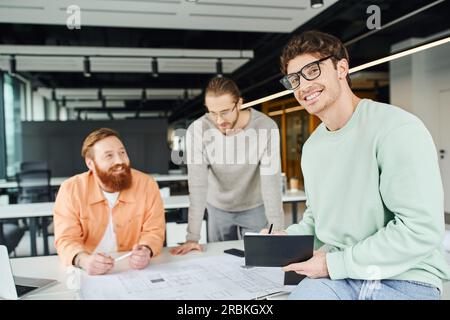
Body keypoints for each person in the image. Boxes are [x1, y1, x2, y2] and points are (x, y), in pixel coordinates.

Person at [271, 30, 450, 299]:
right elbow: (318, 219)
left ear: (341, 68)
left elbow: (419, 229)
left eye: (312, 71)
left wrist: (332, 264)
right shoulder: (312, 148)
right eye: (294, 79)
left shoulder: (396, 128)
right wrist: (286, 238)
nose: (303, 85)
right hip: (340, 274)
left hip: (406, 278)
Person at [170, 76, 284, 255]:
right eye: (212, 112)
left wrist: (277, 229)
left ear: (239, 104)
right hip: (218, 208)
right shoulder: (198, 130)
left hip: (254, 206)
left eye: (224, 112)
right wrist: (192, 237)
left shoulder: (265, 127)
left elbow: (271, 181)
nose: (218, 120)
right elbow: (198, 186)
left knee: (261, 258)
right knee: (222, 260)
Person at [54, 128, 165, 275]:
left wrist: (146, 250)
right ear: (91, 164)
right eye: (109, 156)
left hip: (131, 270)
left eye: (122, 153)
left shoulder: (147, 184)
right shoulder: (71, 189)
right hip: (87, 270)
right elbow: (66, 239)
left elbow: (154, 230)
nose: (120, 161)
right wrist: (83, 260)